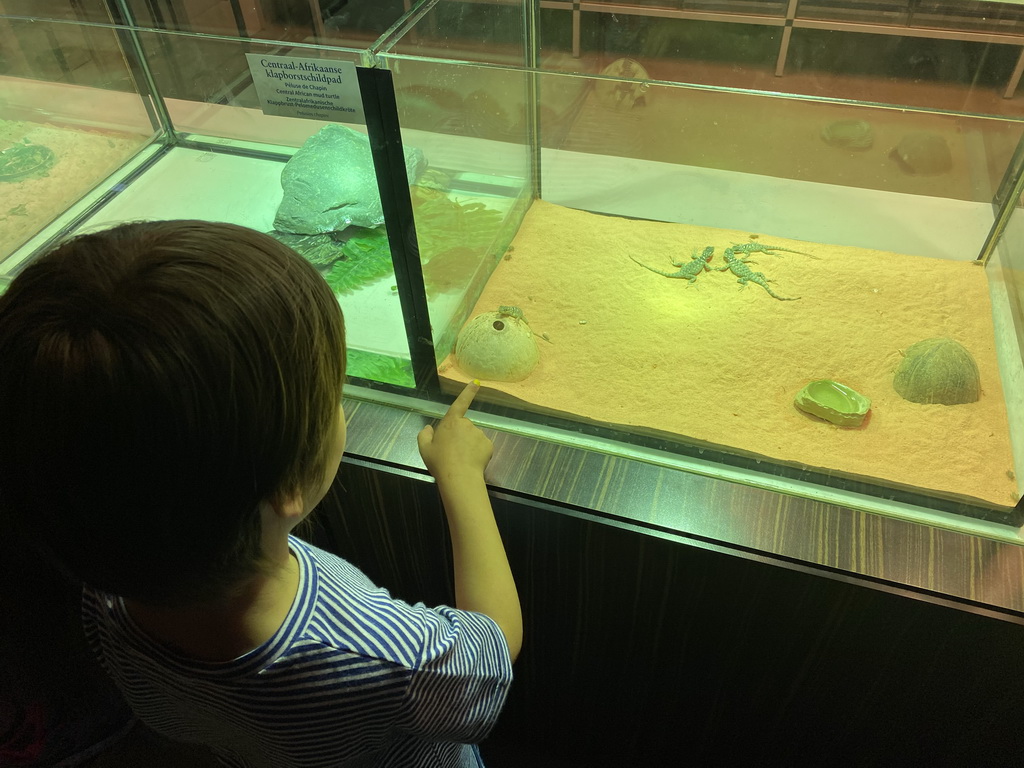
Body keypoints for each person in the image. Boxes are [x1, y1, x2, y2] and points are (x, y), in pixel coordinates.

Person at [0, 220, 521, 768]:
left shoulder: (103, 594)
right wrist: (461, 479)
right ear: (287, 485)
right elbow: (489, 650)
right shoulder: (368, 652)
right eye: (331, 394)